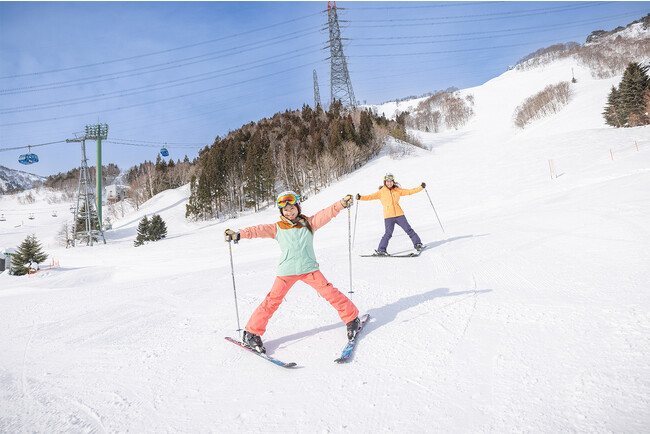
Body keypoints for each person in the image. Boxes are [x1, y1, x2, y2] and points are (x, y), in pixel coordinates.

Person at [224, 191, 360, 354]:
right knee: (272, 301)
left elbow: (327, 213)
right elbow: (257, 230)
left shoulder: (310, 223)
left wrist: (341, 204)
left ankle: (352, 319)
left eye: (292, 208)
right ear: (281, 212)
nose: (289, 212)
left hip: (309, 269)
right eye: (285, 210)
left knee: (331, 293)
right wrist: (239, 234)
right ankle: (251, 334)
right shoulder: (277, 228)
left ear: (298, 207)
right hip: (286, 271)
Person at [356, 173, 426, 255]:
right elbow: (370, 197)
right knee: (388, 233)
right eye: (387, 181)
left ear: (393, 182)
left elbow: (410, 191)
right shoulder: (381, 192)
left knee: (408, 229)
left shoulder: (397, 190)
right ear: (385, 182)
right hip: (388, 216)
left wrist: (421, 187)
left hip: (399, 215)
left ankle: (418, 244)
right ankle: (381, 250)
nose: (389, 183)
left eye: (391, 181)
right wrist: (360, 197)